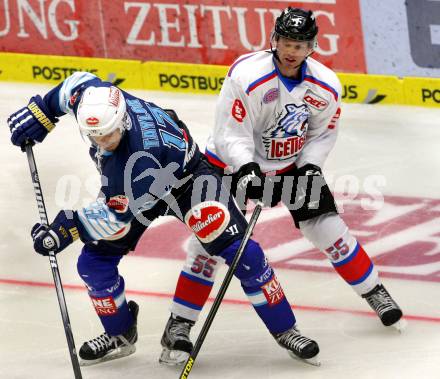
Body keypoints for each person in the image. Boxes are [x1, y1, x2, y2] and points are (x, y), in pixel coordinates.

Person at [7, 71, 321, 366]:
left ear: (124, 123)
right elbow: (77, 82)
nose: (103, 142)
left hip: (188, 183)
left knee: (245, 254)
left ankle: (285, 328)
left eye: (110, 135)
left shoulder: (138, 157)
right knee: (93, 264)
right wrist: (43, 112)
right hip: (138, 190)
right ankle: (120, 333)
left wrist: (61, 231)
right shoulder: (98, 100)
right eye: (95, 136)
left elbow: (115, 215)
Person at [159, 6, 404, 365]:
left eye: (300, 44)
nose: (292, 50)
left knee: (330, 230)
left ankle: (375, 292)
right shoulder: (247, 75)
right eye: (287, 42)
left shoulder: (326, 86)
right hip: (228, 166)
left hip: (290, 168)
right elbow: (229, 133)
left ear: (312, 47)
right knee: (206, 244)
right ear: (275, 40)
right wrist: (247, 169)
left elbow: (323, 133)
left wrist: (309, 168)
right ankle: (179, 325)